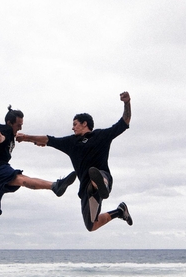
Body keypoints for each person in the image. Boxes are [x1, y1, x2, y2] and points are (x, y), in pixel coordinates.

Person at [17, 92, 133, 232]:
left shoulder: (101, 135)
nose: (72, 128)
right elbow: (49, 140)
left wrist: (127, 103)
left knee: (98, 176)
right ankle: (120, 212)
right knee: (92, 226)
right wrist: (25, 138)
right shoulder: (71, 142)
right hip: (86, 189)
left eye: (75, 124)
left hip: (102, 176)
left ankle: (102, 184)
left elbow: (125, 121)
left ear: (85, 124)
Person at [0, 106, 76, 223]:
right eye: (18, 125)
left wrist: (30, 139)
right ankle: (55, 186)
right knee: (21, 179)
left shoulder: (11, 133)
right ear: (9, 123)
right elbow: (1, 138)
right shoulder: (5, 130)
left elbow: (14, 137)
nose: (20, 127)